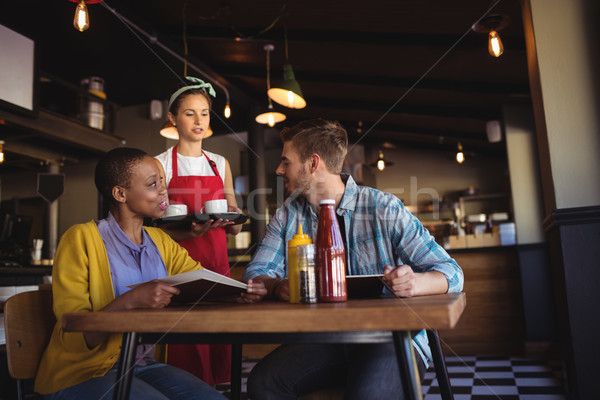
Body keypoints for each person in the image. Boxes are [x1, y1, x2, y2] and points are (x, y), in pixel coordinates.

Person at [240, 118, 464, 400]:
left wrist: (415, 282)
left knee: (368, 394)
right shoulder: (287, 213)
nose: (278, 169)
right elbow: (256, 272)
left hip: (390, 338)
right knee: (263, 383)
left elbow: (452, 272)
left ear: (313, 163)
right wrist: (276, 286)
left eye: (286, 161)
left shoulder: (383, 207)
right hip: (325, 339)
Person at [33, 147, 247, 400]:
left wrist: (236, 293)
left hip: (143, 366)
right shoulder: (81, 239)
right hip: (82, 372)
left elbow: (200, 280)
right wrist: (131, 301)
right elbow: (77, 331)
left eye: (162, 181)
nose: (163, 189)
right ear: (120, 193)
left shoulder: (160, 240)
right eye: (152, 183)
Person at [154, 76, 242, 385]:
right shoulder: (159, 164)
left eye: (204, 112)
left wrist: (234, 219)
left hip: (218, 265)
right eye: (189, 113)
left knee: (219, 347)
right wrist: (188, 233)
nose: (199, 120)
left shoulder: (220, 163)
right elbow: (152, 230)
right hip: (179, 265)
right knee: (186, 351)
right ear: (173, 119)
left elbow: (232, 225)